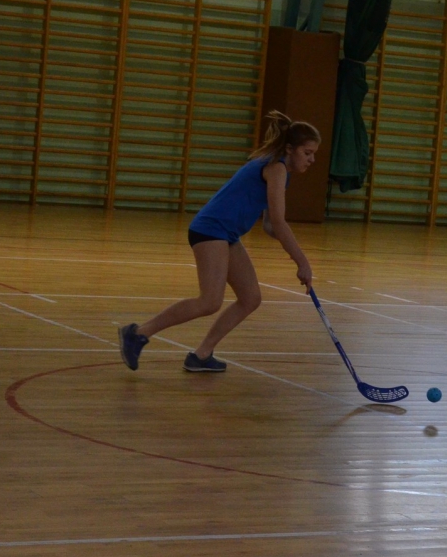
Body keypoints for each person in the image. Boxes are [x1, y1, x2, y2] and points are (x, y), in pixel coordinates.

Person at [119, 111, 318, 373]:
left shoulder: (281, 171)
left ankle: (201, 355)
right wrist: (302, 261)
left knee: (250, 298)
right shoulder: (277, 168)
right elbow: (279, 224)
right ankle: (137, 334)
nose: (312, 160)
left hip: (227, 235)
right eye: (307, 153)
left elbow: (271, 224)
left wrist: (293, 254)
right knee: (209, 301)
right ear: (290, 149)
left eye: (314, 154)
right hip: (211, 230)